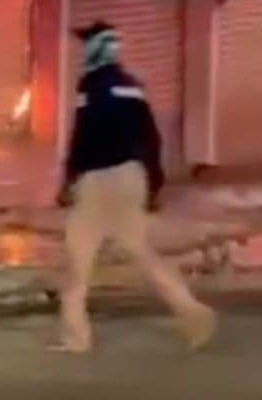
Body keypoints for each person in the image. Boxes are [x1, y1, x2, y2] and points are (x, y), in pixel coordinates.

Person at [56, 20, 216, 352]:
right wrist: (154, 183)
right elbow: (151, 138)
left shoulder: (90, 86)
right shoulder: (132, 86)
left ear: (94, 49)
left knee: (77, 260)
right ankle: (193, 313)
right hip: (131, 178)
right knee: (143, 252)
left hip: (98, 183)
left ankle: (76, 338)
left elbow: (82, 140)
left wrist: (67, 179)